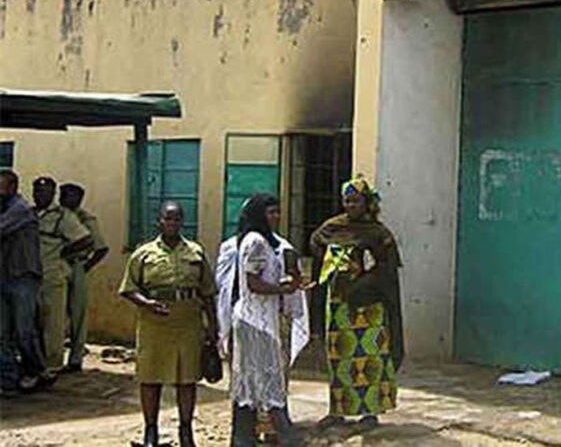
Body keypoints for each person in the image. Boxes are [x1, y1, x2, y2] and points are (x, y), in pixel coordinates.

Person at [119, 202, 217, 447]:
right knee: (150, 377)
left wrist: (213, 326)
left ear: (182, 222)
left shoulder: (195, 252)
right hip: (154, 322)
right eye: (168, 219)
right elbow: (129, 288)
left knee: (187, 378)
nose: (172, 223)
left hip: (188, 321)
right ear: (159, 221)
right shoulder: (143, 253)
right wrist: (147, 303)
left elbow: (207, 292)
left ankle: (186, 431)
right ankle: (150, 431)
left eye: (176, 219)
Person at [309, 176, 403, 428]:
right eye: (347, 201)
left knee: (369, 358)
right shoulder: (333, 227)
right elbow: (316, 244)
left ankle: (369, 413)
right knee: (338, 357)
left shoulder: (378, 232)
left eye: (356, 201)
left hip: (368, 307)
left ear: (367, 203)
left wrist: (363, 280)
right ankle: (337, 411)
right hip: (338, 305)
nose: (351, 206)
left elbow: (387, 266)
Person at [227, 194, 306, 447]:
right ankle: (288, 437)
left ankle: (242, 439)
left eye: (277, 212)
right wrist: (283, 289)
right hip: (256, 323)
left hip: (256, 320)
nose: (276, 217)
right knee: (270, 382)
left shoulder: (265, 242)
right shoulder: (257, 242)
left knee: (248, 383)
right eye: (270, 212)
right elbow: (254, 283)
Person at [32, 176, 91, 375]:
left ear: (52, 194)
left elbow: (86, 240)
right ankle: (36, 362)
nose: (41, 195)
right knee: (34, 323)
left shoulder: (62, 216)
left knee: (53, 323)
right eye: (38, 191)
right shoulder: (30, 214)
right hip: (31, 276)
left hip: (53, 276)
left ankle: (53, 364)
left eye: (46, 192)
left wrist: (63, 253)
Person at [0, 169, 47, 393]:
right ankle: (8, 378)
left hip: (23, 277)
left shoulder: (20, 209)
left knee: (23, 330)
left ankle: (36, 370)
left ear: (12, 187)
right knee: (2, 333)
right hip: (5, 276)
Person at [59, 183, 109, 373]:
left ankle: (75, 358)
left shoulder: (86, 219)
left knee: (78, 313)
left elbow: (101, 248)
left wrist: (86, 267)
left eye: (72, 196)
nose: (67, 200)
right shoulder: (55, 216)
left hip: (76, 265)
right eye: (64, 195)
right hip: (55, 265)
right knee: (53, 313)